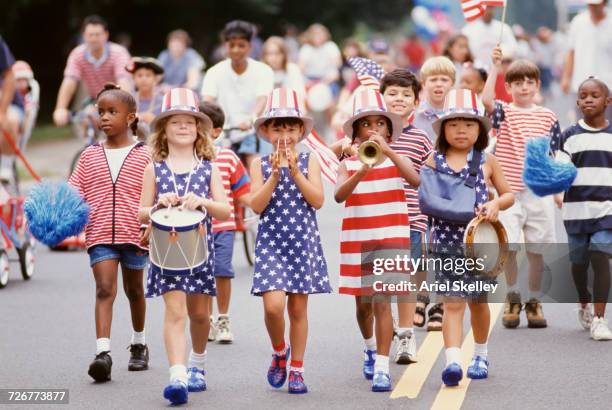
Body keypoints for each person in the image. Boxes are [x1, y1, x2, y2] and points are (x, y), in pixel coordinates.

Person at [139, 88, 231, 405]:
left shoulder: (208, 167)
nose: (182, 127)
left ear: (198, 130)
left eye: (189, 123)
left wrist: (202, 201)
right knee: (175, 312)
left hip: (201, 250)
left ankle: (198, 363)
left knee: (200, 314)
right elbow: (140, 210)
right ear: (163, 130)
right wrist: (155, 206)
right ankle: (177, 374)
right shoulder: (155, 168)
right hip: (166, 251)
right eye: (174, 122)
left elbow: (225, 210)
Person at [420, 89, 514, 386]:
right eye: (454, 123)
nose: (461, 130)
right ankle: (452, 361)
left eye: (469, 124)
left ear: (480, 129)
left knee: (477, 301)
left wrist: (496, 204)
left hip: (479, 244)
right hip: (444, 242)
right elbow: (423, 194)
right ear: (443, 129)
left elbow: (509, 193)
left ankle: (481, 354)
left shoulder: (487, 160)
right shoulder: (432, 160)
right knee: (452, 303)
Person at [335, 88, 419, 392]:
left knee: (383, 304)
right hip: (358, 240)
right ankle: (370, 348)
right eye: (367, 124)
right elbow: (338, 195)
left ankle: (382, 366)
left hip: (390, 238)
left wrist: (390, 151)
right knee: (364, 307)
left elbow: (416, 179)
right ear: (357, 131)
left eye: (380, 124)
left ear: (389, 128)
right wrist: (361, 169)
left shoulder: (398, 158)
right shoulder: (349, 162)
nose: (374, 129)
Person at [249, 88, 332, 394]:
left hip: (302, 242)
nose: (284, 133)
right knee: (273, 307)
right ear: (267, 131)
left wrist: (295, 171)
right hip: (271, 241)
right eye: (278, 127)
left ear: (300, 131)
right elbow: (256, 205)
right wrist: (273, 175)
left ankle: (297, 368)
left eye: (291, 127)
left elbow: (318, 200)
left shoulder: (309, 161)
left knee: (298, 310)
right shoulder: (258, 163)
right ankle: (279, 350)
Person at [68, 84, 151, 382]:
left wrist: (152, 224)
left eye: (112, 112)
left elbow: (155, 194)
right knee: (105, 289)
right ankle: (103, 353)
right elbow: (73, 190)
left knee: (135, 290)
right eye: (101, 111)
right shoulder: (89, 156)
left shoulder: (146, 155)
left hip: (135, 233)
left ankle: (139, 343)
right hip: (100, 232)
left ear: (130, 117)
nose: (104, 117)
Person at [482, 46, 562, 330]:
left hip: (539, 192)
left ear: (537, 85)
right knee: (511, 248)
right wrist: (495, 67)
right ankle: (513, 296)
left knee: (537, 249)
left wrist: (558, 190)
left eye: (529, 82)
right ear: (509, 86)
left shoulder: (548, 116)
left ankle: (534, 300)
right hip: (510, 193)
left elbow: (555, 155)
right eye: (517, 82)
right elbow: (487, 100)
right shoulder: (503, 112)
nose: (524, 87)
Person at [380, 69, 433, 364]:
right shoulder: (366, 133)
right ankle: (383, 337)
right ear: (382, 97)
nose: (399, 99)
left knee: (406, 282)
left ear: (416, 101)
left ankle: (406, 336)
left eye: (406, 95)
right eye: (392, 93)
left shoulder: (421, 138)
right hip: (376, 220)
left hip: (411, 219)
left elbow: (423, 180)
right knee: (382, 285)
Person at [555, 77, 612, 340]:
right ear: (577, 103)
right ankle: (584, 301)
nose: (589, 99)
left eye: (595, 95)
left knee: (601, 255)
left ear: (607, 101)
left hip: (606, 211)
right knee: (578, 263)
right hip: (576, 210)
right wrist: (557, 191)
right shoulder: (569, 136)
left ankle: (600, 319)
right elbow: (560, 170)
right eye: (584, 96)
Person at [199, 101, 251, 344]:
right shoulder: (185, 159)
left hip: (223, 227)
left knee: (222, 271)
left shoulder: (228, 158)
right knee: (202, 273)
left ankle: (223, 318)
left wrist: (257, 207)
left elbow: (243, 191)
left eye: (202, 125)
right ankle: (206, 320)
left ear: (217, 131)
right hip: (195, 228)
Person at [201, 20, 274, 168]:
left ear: (250, 46)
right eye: (231, 45)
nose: (236, 50)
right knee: (216, 165)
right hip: (221, 133)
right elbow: (208, 101)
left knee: (255, 164)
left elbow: (263, 98)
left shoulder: (263, 70)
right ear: (225, 45)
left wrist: (251, 119)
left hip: (252, 131)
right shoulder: (214, 72)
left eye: (241, 45)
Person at [53, 15, 131, 127]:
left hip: (120, 99)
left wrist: (125, 108)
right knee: (87, 120)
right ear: (84, 36)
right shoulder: (77, 54)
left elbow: (124, 81)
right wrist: (60, 108)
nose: (94, 38)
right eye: (90, 35)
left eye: (97, 35)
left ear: (106, 35)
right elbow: (69, 81)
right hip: (96, 101)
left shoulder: (119, 53)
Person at [561, 0, 612, 122]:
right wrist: (566, 77)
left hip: (608, 85)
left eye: (596, 4)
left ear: (604, 3)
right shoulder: (578, 22)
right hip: (581, 83)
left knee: (607, 127)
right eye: (590, 4)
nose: (592, 7)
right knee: (582, 126)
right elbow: (571, 52)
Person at [412, 56, 456, 144]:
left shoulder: (459, 114)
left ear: (452, 83)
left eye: (444, 80)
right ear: (423, 84)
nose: (439, 84)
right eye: (433, 80)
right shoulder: (414, 115)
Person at [0, 35, 25, 181]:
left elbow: (9, 76)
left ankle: (5, 169)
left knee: (9, 119)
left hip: (9, 104)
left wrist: (2, 112)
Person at [125, 57, 165, 140]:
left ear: (155, 79)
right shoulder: (127, 100)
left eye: (148, 75)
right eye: (139, 75)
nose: (144, 79)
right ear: (134, 78)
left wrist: (154, 121)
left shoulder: (163, 102)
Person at [298, 23, 342, 96]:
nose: (318, 36)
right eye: (315, 34)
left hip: (327, 79)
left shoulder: (331, 46)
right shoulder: (306, 48)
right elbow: (300, 68)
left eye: (320, 34)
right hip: (309, 79)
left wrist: (324, 81)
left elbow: (337, 65)